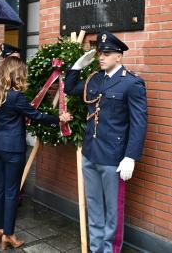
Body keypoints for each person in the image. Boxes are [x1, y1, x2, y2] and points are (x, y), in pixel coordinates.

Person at [64, 31, 147, 253]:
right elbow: (69, 89)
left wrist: (131, 156)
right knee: (94, 205)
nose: (101, 57)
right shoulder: (95, 79)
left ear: (119, 57)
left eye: (107, 53)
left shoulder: (131, 83)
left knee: (113, 209)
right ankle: (96, 248)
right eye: (101, 53)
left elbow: (139, 123)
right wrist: (76, 67)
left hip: (113, 157)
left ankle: (110, 250)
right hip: (90, 153)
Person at [0, 56, 72, 250]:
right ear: (17, 74)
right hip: (12, 149)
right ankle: (8, 234)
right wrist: (60, 118)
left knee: (0, 187)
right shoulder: (16, 97)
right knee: (11, 192)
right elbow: (37, 116)